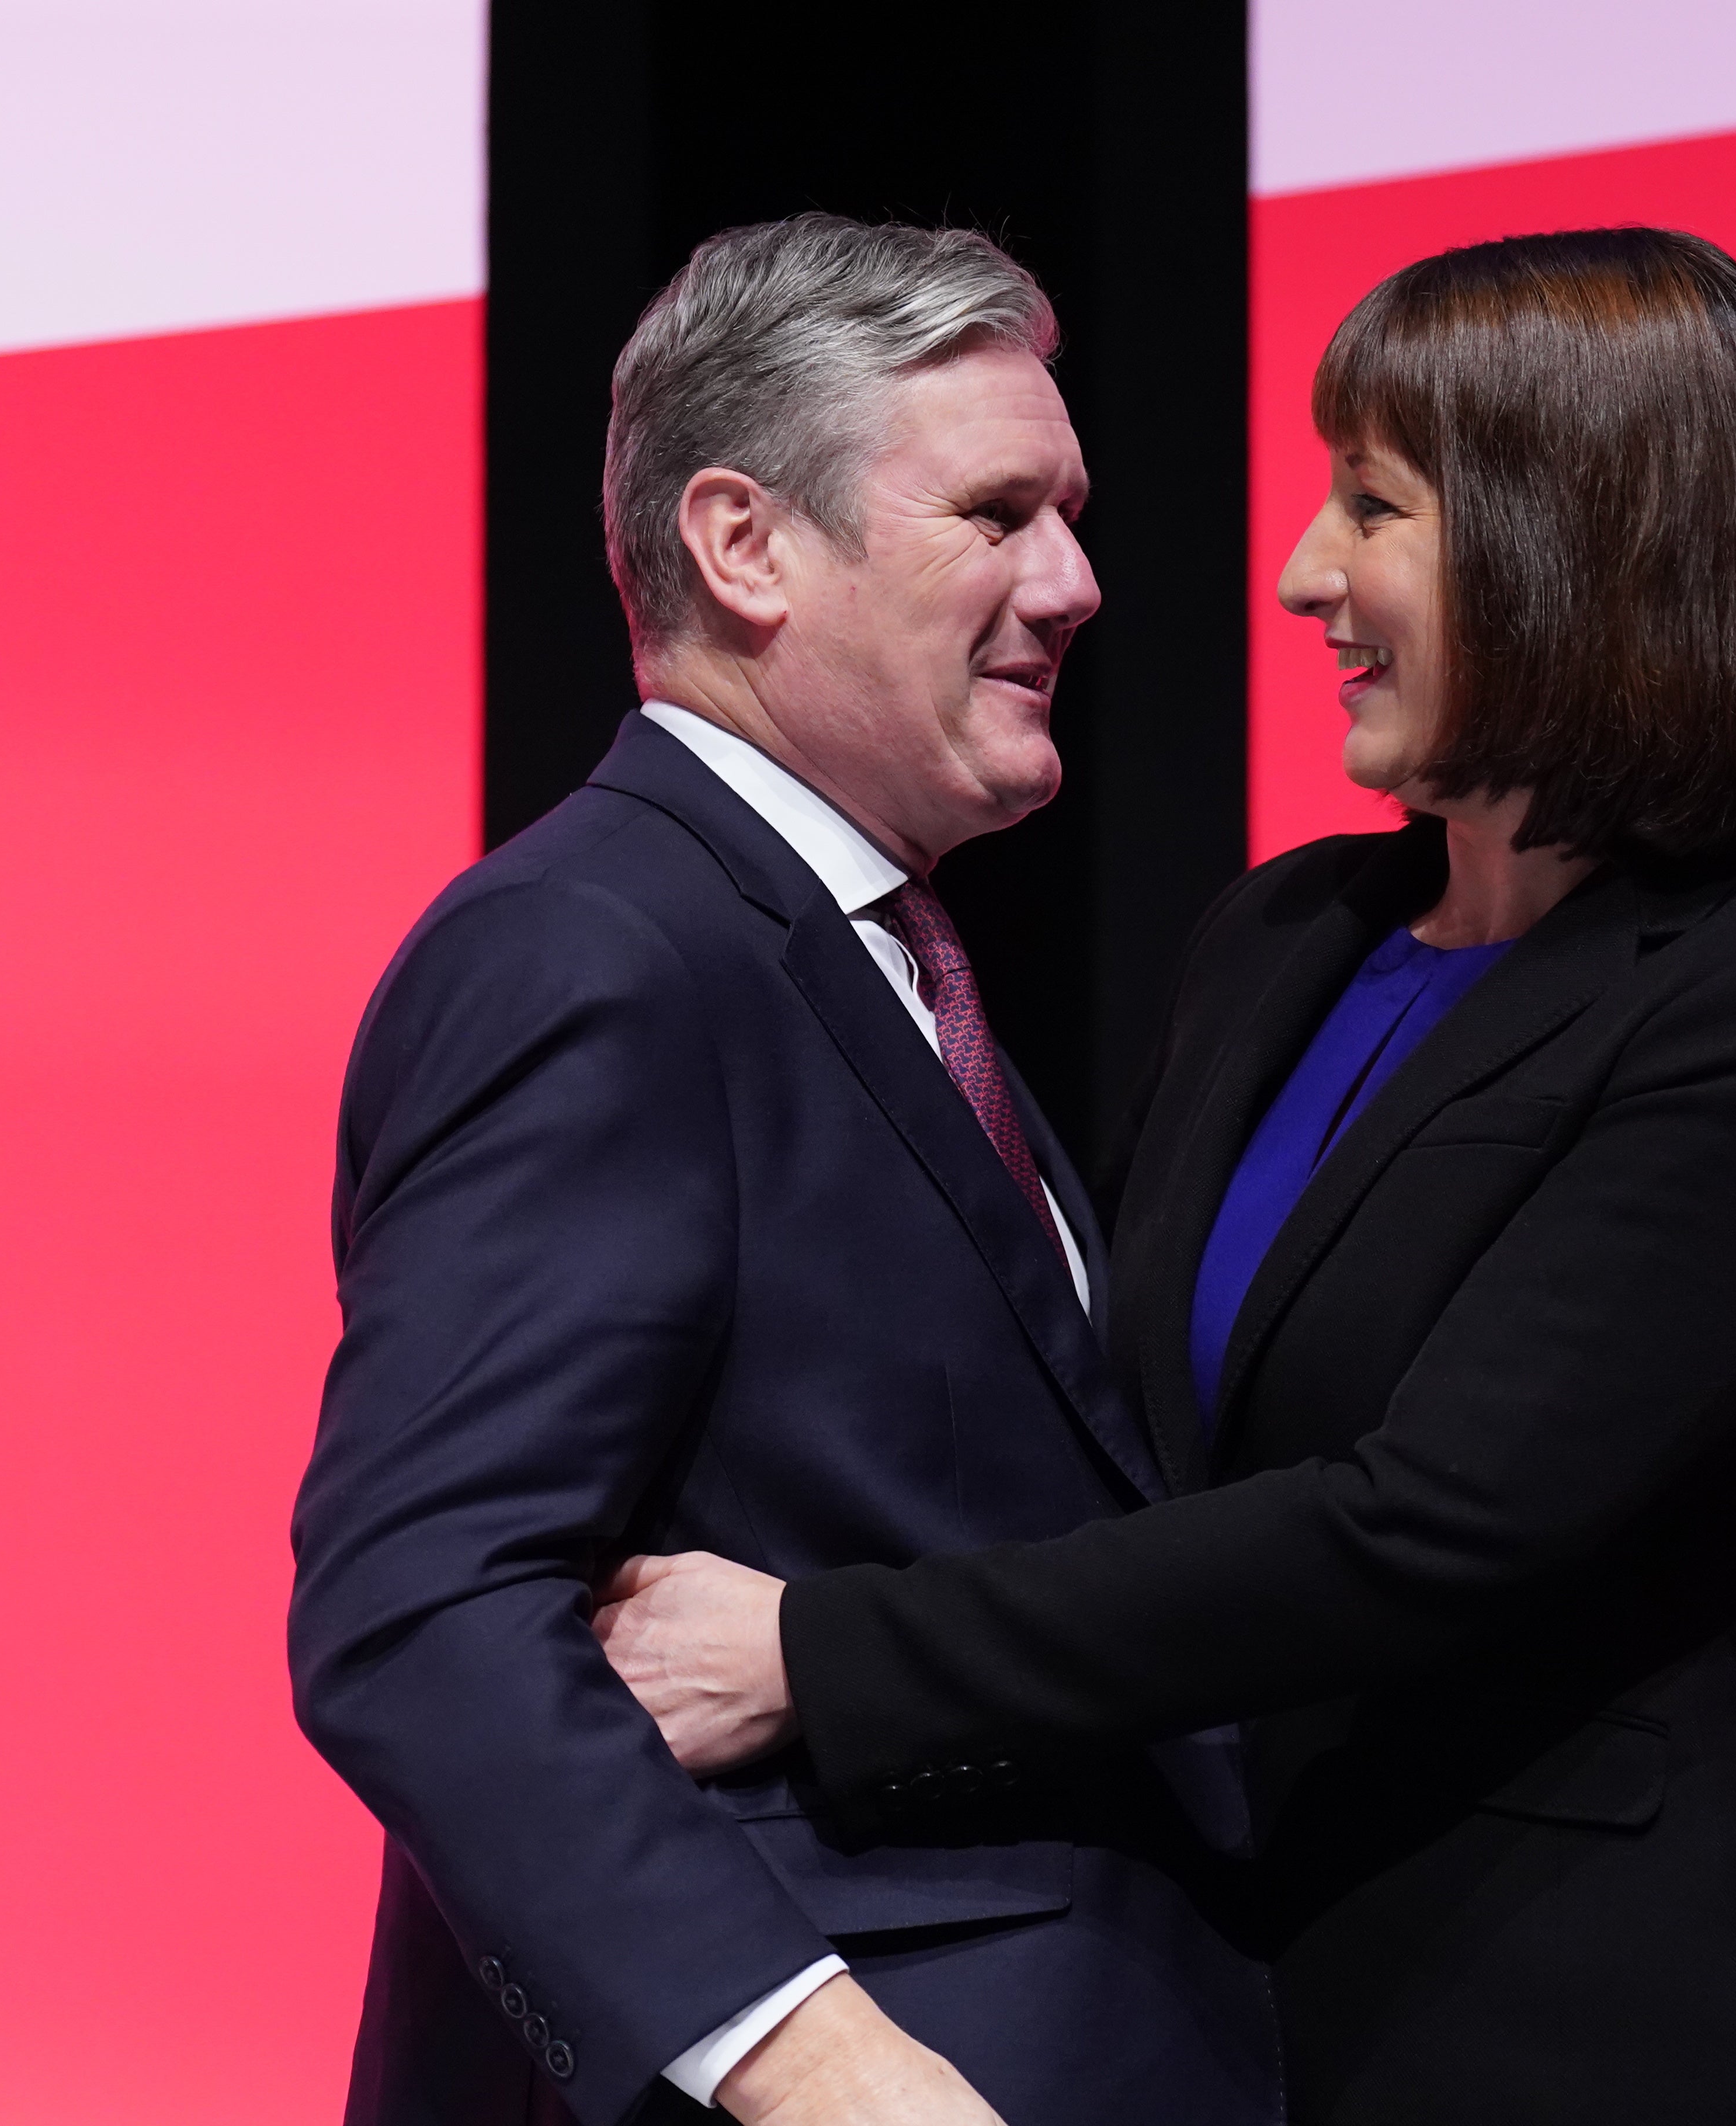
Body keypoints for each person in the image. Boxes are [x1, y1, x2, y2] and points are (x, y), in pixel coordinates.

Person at [589, 228, 1736, 2125]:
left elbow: (1430, 1531)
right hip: (1240, 2023)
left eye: (1377, 506)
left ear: (1584, 550)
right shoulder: (1289, 936)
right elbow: (1117, 1450)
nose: (1305, 571)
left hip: (1607, 2048)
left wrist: (819, 1657)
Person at [286, 216, 1275, 2126]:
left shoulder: (865, 955)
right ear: (746, 546)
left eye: (1069, 514)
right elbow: (418, 1609)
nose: (1074, 582)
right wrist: (812, 2061)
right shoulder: (594, 948)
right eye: (994, 513)